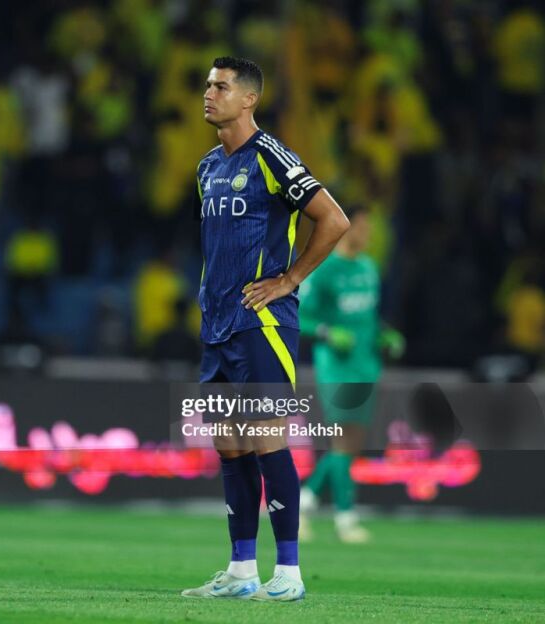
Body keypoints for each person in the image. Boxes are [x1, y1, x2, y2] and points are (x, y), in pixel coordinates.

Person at [181, 57, 349, 602]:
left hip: (262, 322)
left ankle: (290, 574)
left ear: (249, 99)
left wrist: (290, 279)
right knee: (229, 444)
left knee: (265, 438)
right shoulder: (208, 167)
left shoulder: (271, 156)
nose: (209, 94)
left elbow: (334, 219)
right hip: (218, 325)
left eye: (221, 86)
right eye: (208, 85)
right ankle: (240, 570)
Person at [298, 205, 405, 543]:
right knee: (343, 442)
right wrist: (328, 333)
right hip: (336, 366)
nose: (367, 233)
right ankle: (345, 519)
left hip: (366, 365)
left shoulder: (369, 268)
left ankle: (300, 505)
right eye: (361, 226)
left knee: (349, 445)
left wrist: (384, 334)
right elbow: (299, 316)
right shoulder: (323, 268)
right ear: (344, 226)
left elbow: (369, 317)